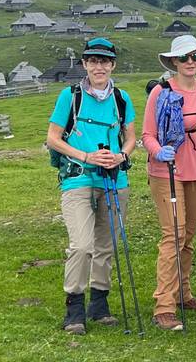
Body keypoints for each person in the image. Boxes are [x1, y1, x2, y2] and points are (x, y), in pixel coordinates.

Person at [47, 37, 136, 335]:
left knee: (106, 245)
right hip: (78, 178)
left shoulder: (122, 99)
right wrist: (86, 155)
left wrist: (121, 155)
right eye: (93, 61)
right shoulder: (69, 97)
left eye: (105, 61)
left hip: (114, 179)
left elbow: (131, 138)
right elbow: (53, 138)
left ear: (113, 65)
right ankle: (74, 307)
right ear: (84, 64)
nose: (99, 66)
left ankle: (99, 305)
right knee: (82, 245)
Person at [143, 35, 196, 331]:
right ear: (174, 61)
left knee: (187, 235)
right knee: (172, 235)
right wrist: (158, 152)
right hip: (167, 171)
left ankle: (184, 294)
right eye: (184, 58)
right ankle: (164, 306)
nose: (191, 62)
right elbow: (148, 134)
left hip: (195, 168)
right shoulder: (161, 92)